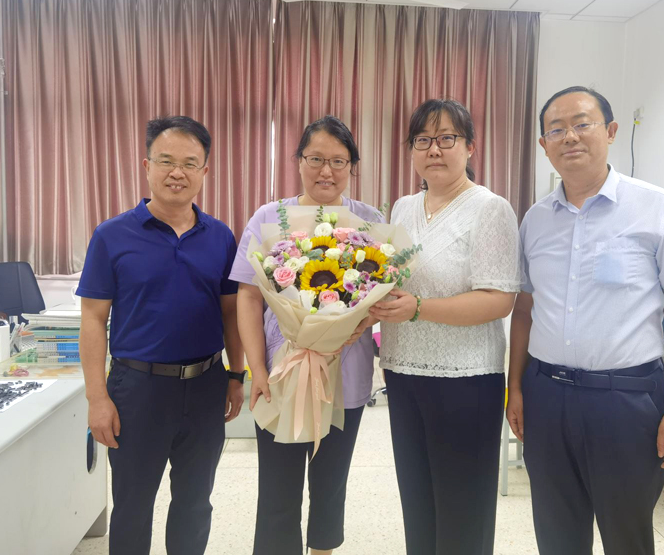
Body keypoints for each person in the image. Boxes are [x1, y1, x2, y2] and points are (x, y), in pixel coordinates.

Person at [507, 86, 664, 555]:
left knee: (626, 535)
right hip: (546, 396)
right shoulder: (535, 220)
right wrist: (515, 388)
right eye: (556, 129)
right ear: (544, 145)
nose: (570, 136)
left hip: (626, 401)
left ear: (611, 131)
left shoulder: (658, 208)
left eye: (582, 124)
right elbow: (524, 311)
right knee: (556, 533)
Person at [78, 115, 245, 555]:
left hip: (207, 384)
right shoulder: (112, 235)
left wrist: (236, 375)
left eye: (190, 163)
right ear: (147, 165)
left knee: (195, 503)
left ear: (204, 171)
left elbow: (232, 314)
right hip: (138, 389)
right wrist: (97, 398)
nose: (177, 173)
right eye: (167, 161)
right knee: (133, 506)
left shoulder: (221, 236)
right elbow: (93, 319)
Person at [370, 98, 522, 555]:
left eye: (446, 138)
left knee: (463, 511)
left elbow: (499, 299)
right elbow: (392, 281)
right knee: (418, 502)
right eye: (422, 140)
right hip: (402, 372)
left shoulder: (490, 209)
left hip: (466, 380)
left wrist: (419, 308)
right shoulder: (402, 208)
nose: (433, 149)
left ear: (470, 146)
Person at [230, 115, 382, 555]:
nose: (326, 171)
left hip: (346, 376)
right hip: (280, 375)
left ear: (352, 166)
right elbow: (247, 296)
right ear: (298, 160)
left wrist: (361, 321)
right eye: (315, 159)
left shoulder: (369, 221)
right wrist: (256, 371)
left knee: (331, 486)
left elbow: (382, 296)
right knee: (277, 488)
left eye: (338, 161)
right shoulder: (269, 218)